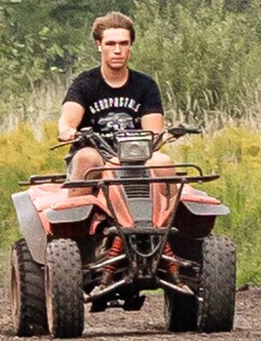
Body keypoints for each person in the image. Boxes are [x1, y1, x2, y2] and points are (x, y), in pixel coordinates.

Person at [57, 11, 176, 202]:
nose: (117, 50)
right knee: (88, 157)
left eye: (123, 43)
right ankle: (76, 210)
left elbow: (153, 131)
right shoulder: (84, 83)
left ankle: (170, 215)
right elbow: (68, 119)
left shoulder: (146, 85)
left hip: (136, 156)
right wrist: (67, 130)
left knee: (163, 162)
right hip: (94, 154)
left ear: (130, 46)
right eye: (111, 44)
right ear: (99, 45)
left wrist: (162, 137)